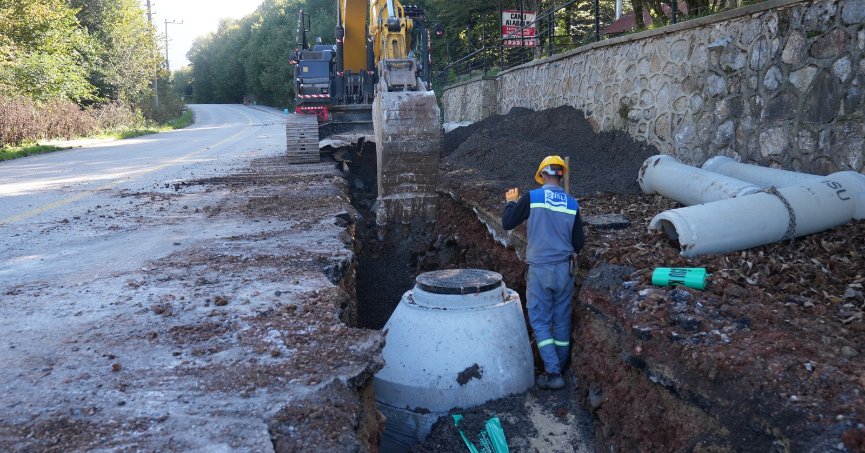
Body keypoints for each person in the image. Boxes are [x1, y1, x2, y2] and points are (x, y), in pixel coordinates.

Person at [502, 155, 584, 390]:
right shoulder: (572, 203)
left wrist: (511, 202)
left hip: (540, 270)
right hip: (565, 271)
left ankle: (553, 373)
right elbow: (578, 243)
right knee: (561, 321)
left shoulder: (533, 197)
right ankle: (560, 365)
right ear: (561, 175)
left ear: (542, 174)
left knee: (539, 321)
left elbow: (508, 222)